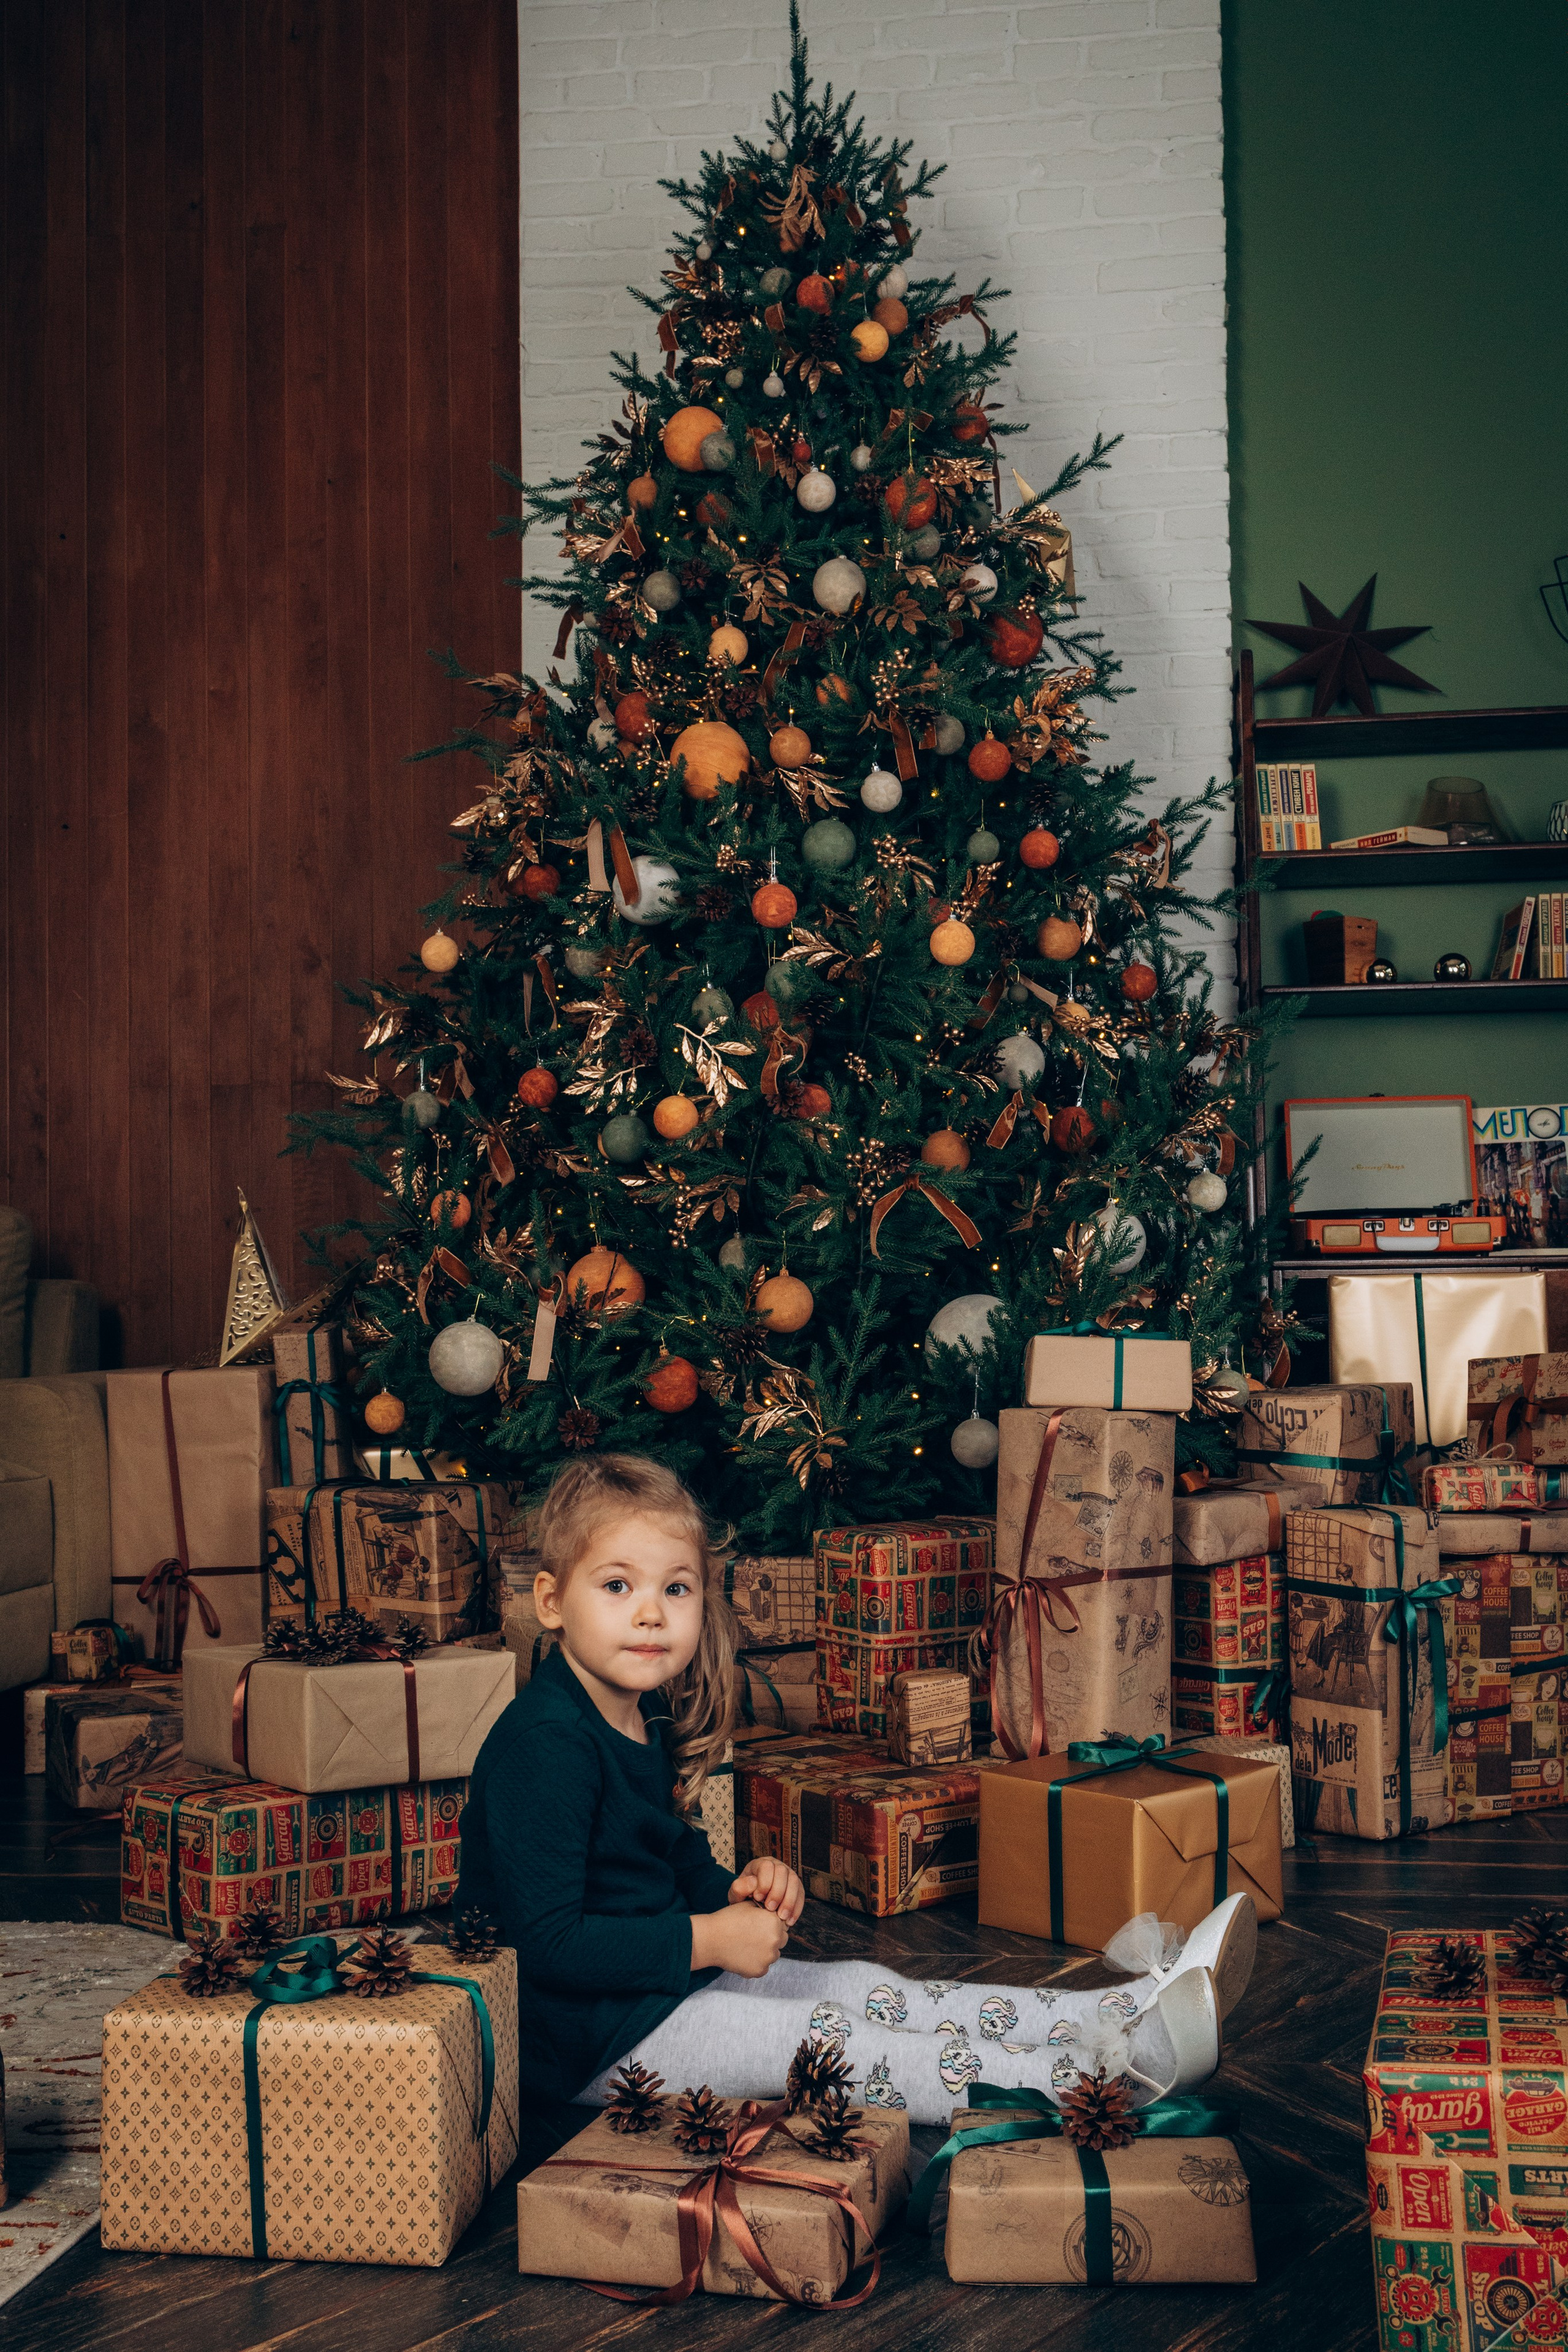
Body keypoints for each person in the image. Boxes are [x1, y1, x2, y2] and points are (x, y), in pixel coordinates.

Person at [457, 1453, 1255, 2125]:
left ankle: (1115, 2014)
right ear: (552, 1601)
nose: (651, 1615)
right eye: (616, 1586)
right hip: (585, 2041)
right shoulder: (547, 1746)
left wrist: (731, 1890)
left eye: (676, 1589)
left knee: (862, 1987)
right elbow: (547, 1944)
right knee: (825, 2037)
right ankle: (1102, 2082)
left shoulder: (643, 1714)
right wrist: (709, 1940)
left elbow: (665, 1862)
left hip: (651, 1985)